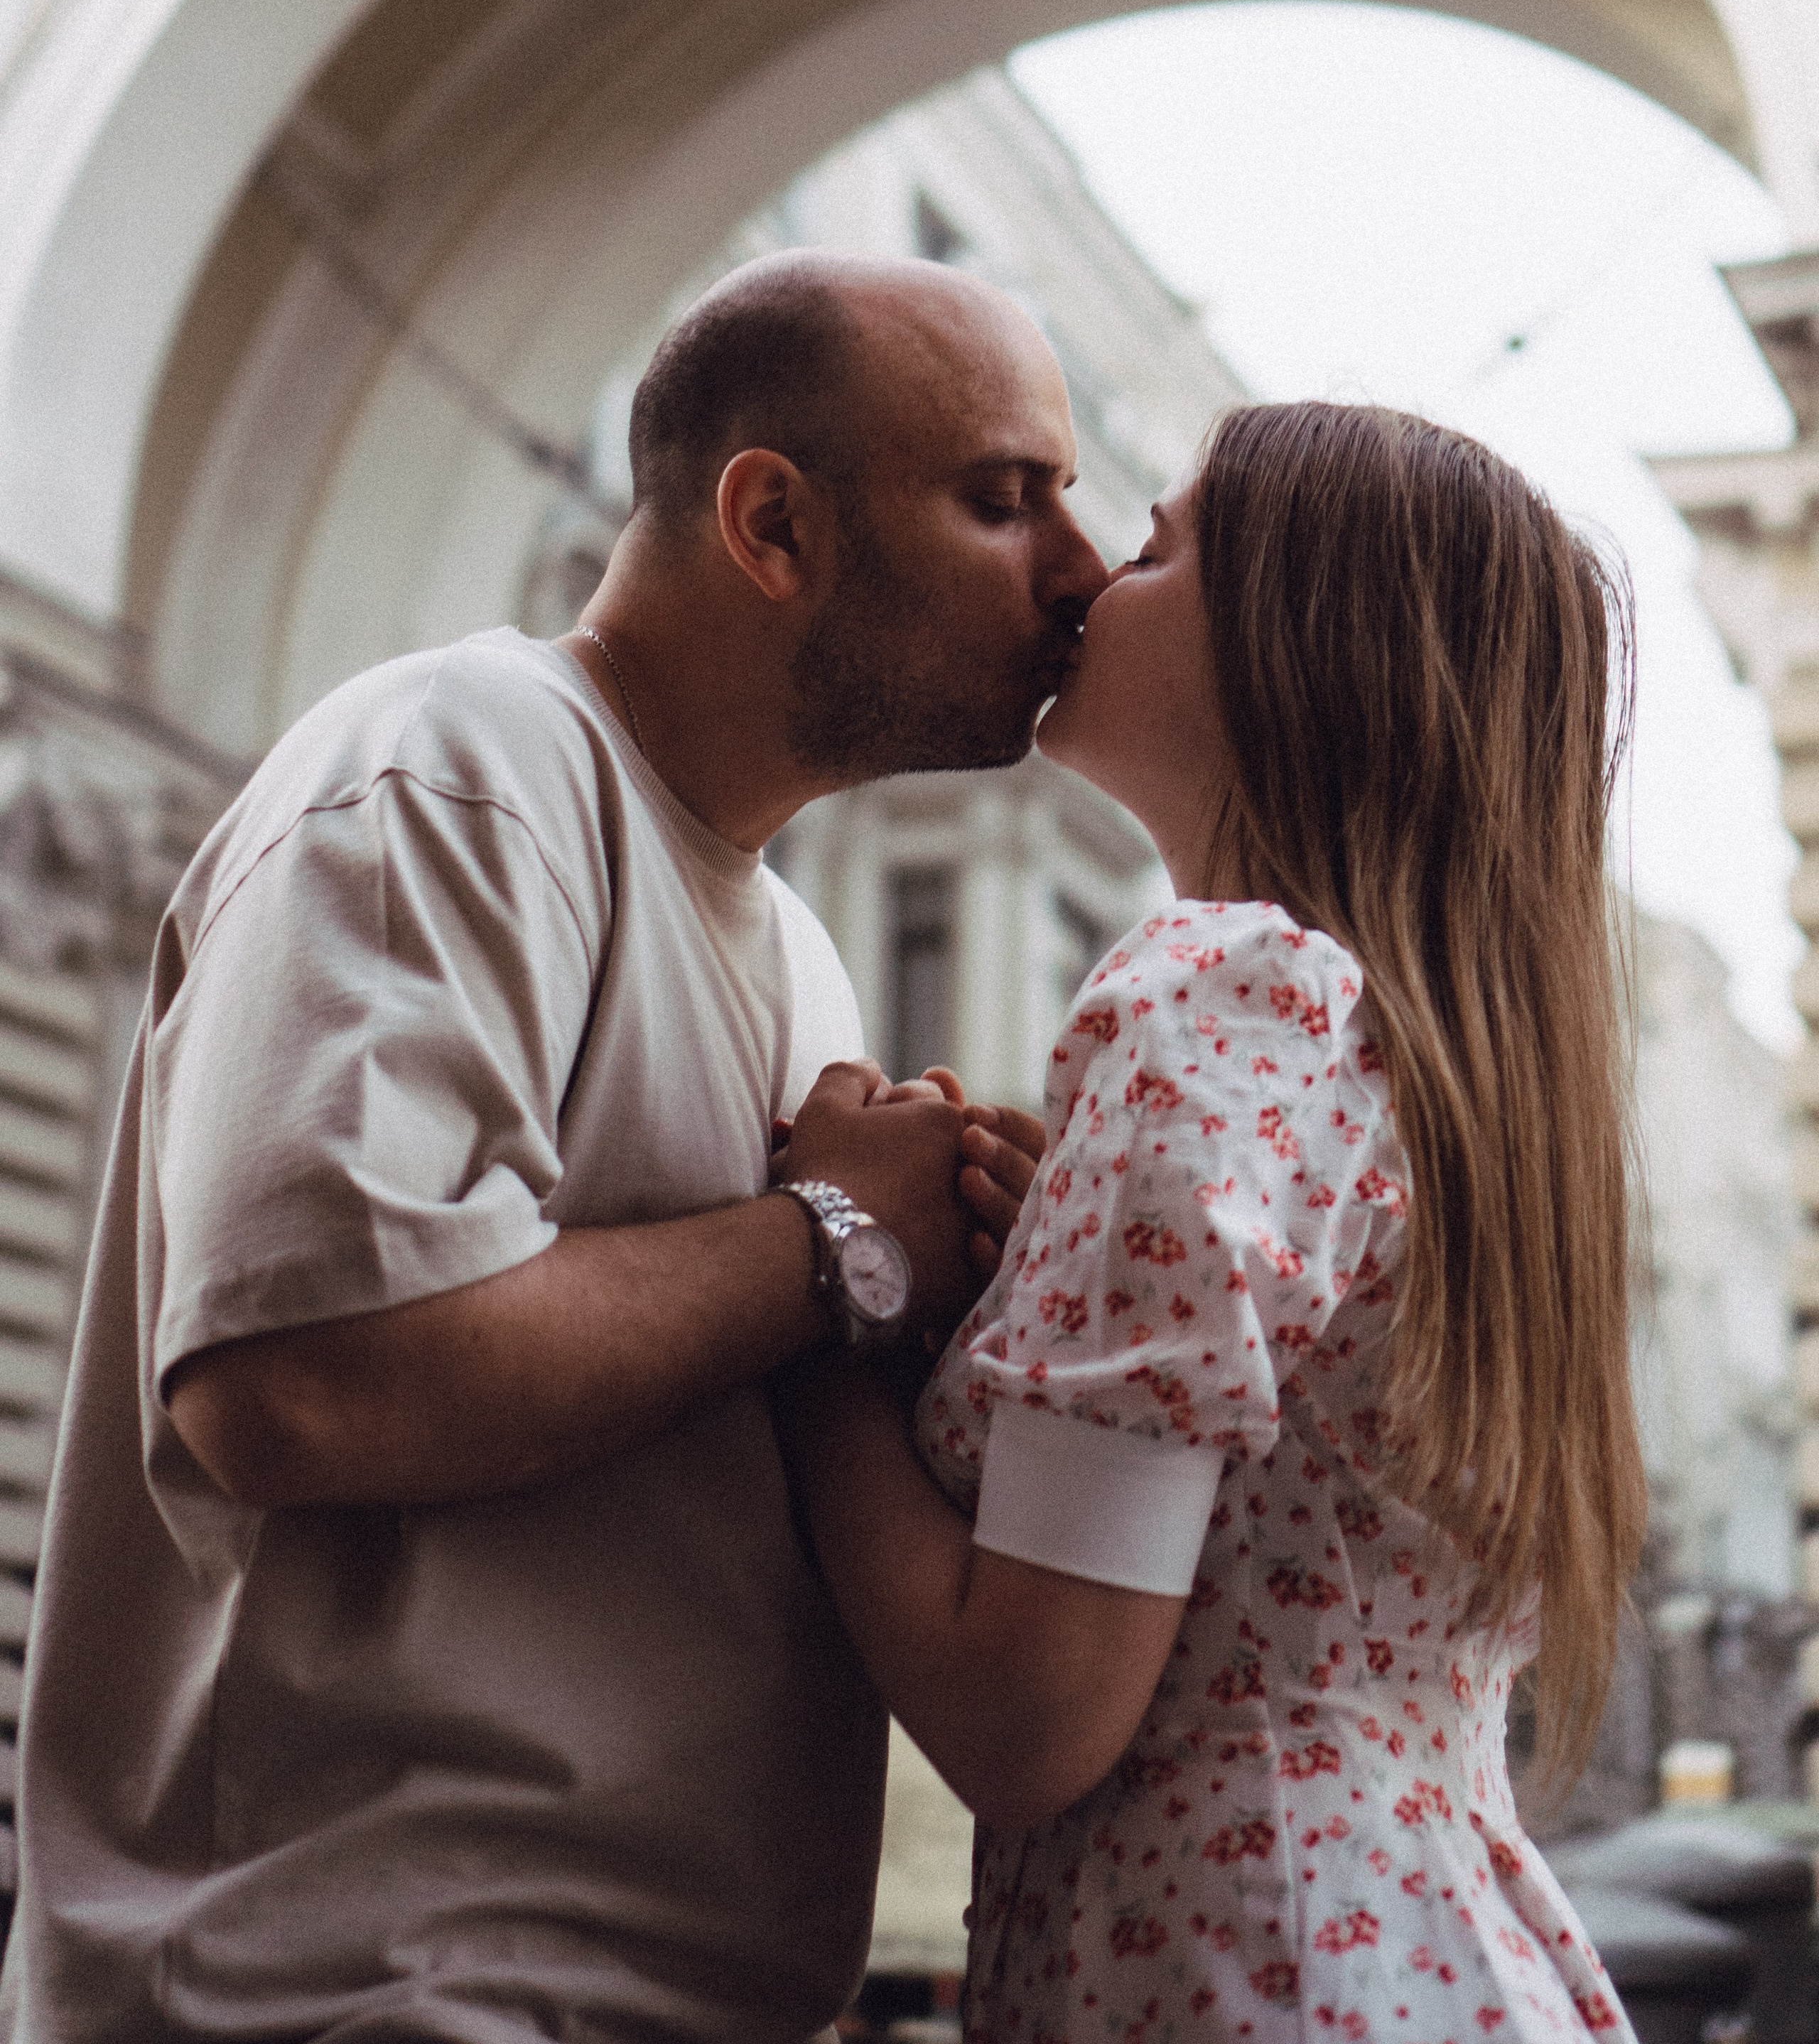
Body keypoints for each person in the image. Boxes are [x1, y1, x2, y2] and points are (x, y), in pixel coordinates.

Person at [3, 252, 1108, 2044]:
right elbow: (301, 1381)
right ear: (772, 525)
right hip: (367, 1990)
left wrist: (965, 1273)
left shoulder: (798, 955)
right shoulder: (457, 765)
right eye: (1003, 499)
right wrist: (838, 1242)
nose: (1077, 568)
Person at [778, 399, 1648, 2041]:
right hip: (1428, 1954)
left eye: (1162, 546)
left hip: (1256, 1972)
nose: (1096, 570)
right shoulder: (1424, 1064)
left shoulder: (1217, 990)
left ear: (1294, 646)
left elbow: (1025, 1714)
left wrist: (823, 1286)